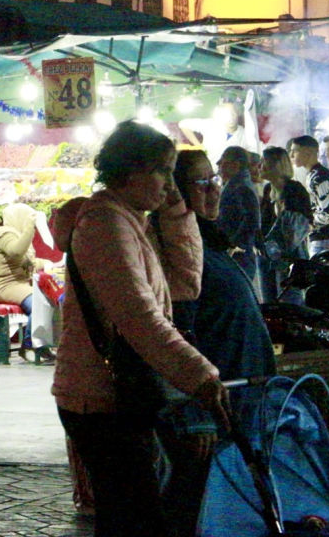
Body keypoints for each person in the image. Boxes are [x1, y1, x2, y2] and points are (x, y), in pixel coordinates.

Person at [51, 122, 230, 537]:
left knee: (129, 515)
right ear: (131, 172)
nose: (170, 184)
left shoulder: (131, 221)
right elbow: (139, 317)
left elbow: (185, 285)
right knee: (135, 515)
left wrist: (174, 210)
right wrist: (200, 374)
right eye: (162, 172)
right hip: (97, 396)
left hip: (118, 393)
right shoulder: (106, 225)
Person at [163, 149, 276, 537]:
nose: (214, 190)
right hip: (212, 411)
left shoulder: (204, 243)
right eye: (202, 182)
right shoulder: (178, 253)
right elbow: (176, 335)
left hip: (239, 405)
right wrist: (194, 416)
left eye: (215, 180)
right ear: (174, 191)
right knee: (194, 513)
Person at [0, 203, 41, 355]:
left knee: (48, 301)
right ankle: (29, 346)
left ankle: (43, 346)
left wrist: (51, 264)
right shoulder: (5, 235)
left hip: (18, 285)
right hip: (5, 286)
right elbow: (16, 252)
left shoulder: (16, 235)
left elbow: (28, 261)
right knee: (39, 305)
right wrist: (29, 229)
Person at [257, 146, 312, 300]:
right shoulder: (268, 190)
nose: (259, 166)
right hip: (267, 257)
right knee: (270, 304)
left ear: (276, 165)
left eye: (264, 161)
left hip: (289, 259)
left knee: (290, 304)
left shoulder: (294, 190)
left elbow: (304, 224)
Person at [214, 146, 261, 299]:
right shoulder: (236, 184)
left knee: (239, 294)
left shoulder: (240, 186)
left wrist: (235, 244)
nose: (218, 165)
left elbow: (252, 219)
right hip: (235, 251)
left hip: (239, 255)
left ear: (236, 164)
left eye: (223, 162)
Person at [289, 135, 329, 246]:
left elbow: (326, 214)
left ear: (308, 152)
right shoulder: (313, 174)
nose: (291, 155)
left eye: (294, 151)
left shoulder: (319, 177)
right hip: (324, 237)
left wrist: (307, 224)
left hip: (326, 239)